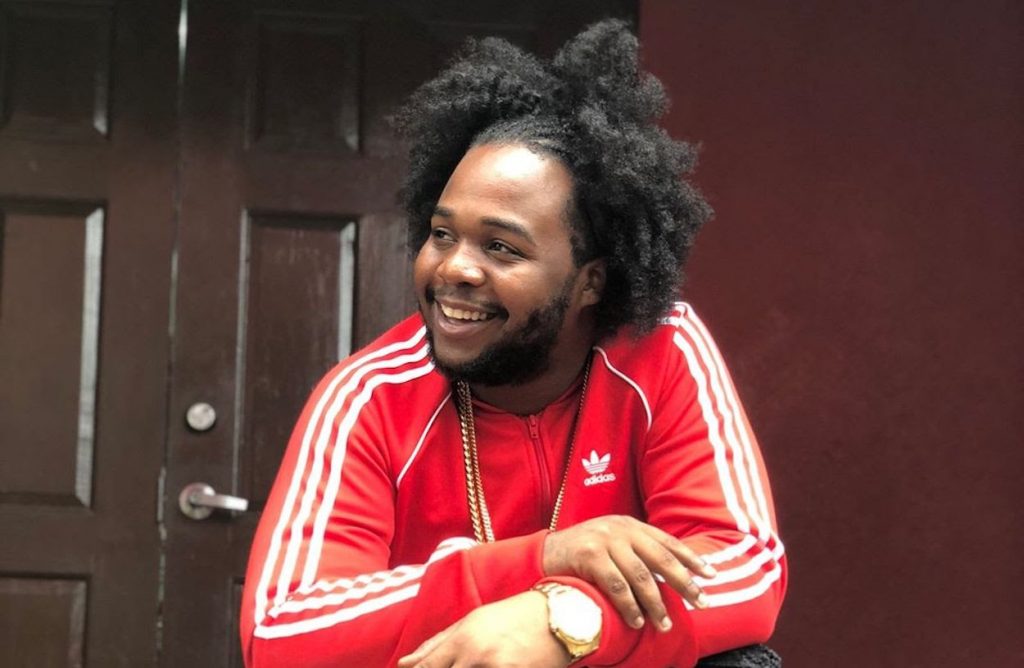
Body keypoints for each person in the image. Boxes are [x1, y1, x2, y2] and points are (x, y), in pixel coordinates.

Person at [240, 19, 786, 668]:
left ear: (590, 281)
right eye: (443, 235)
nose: (454, 269)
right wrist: (543, 560)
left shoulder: (661, 352)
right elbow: (281, 630)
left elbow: (744, 568)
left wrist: (562, 621)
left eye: (501, 247)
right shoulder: (370, 398)